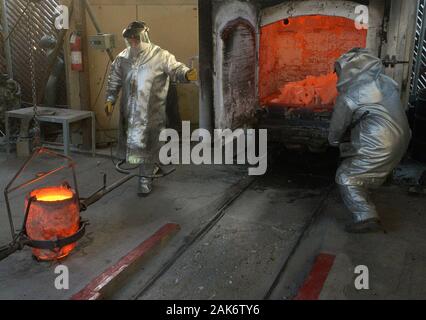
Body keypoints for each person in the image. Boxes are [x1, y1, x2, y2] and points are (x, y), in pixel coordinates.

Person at [105, 21, 197, 196]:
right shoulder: (122, 58)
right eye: (129, 40)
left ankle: (145, 179)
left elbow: (175, 67)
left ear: (144, 36)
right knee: (135, 144)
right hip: (129, 112)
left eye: (135, 39)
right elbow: (115, 79)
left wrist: (185, 73)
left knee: (149, 142)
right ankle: (151, 166)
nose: (133, 43)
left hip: (152, 112)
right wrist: (110, 99)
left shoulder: (160, 56)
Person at [328, 48, 411, 233]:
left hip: (381, 143)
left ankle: (366, 216)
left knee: (346, 176)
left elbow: (337, 128)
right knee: (360, 165)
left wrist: (333, 141)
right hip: (402, 137)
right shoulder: (385, 82)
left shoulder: (349, 96)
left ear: (348, 71)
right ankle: (366, 187)